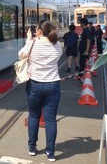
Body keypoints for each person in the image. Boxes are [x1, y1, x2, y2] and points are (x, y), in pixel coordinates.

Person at [18, 20, 62, 162]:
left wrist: (28, 40)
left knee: (34, 116)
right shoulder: (57, 45)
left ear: (39, 31)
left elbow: (21, 55)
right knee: (50, 120)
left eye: (36, 29)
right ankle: (50, 152)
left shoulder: (33, 44)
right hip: (53, 85)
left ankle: (32, 148)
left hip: (35, 85)